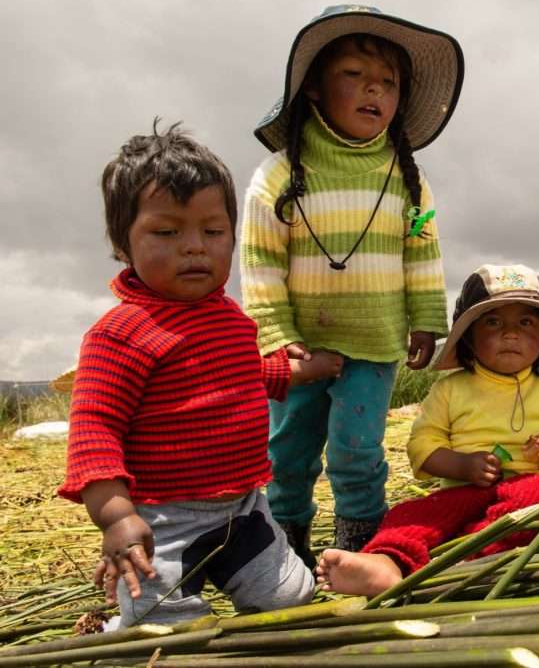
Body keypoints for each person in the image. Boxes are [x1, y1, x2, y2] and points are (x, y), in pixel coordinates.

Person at [59, 123, 343, 627]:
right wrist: (117, 516)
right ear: (123, 244)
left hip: (245, 506)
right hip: (163, 521)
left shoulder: (231, 318)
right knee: (165, 627)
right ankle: (110, 629)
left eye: (212, 232)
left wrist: (301, 371)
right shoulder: (121, 334)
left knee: (291, 601)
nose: (195, 247)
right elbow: (94, 431)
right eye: (167, 232)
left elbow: (243, 377)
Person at [240, 5, 465, 561]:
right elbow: (260, 261)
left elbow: (422, 252)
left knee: (357, 451)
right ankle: (284, 547)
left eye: (388, 82)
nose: (375, 91)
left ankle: (361, 548)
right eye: (355, 76)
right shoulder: (278, 176)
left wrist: (427, 320)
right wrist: (275, 332)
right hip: (299, 348)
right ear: (313, 88)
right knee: (287, 450)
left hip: (376, 340)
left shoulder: (406, 179)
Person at [315, 264, 539, 596]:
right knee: (413, 514)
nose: (511, 334)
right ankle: (387, 562)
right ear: (468, 338)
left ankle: (465, 564)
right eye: (493, 322)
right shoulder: (451, 389)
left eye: (526, 322)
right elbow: (422, 442)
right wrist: (461, 464)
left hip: (529, 486)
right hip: (463, 490)